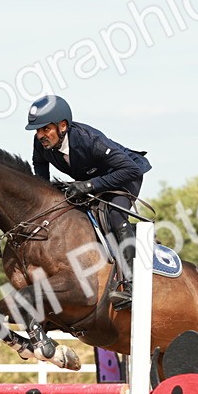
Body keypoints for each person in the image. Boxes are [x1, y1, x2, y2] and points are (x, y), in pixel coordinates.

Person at [25, 95, 151, 309]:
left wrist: (89, 186)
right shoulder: (42, 144)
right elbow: (40, 173)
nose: (40, 135)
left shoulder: (88, 139)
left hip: (123, 175)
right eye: (37, 130)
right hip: (92, 180)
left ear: (62, 125)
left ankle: (132, 285)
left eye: (45, 129)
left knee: (114, 215)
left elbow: (130, 169)